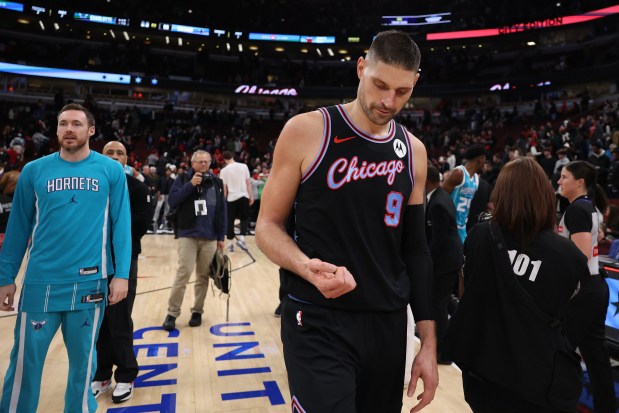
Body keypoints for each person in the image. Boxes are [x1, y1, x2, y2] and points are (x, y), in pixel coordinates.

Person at [255, 30, 438, 413]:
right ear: (360, 68)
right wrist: (305, 265)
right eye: (380, 85)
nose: (389, 101)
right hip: (318, 317)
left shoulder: (414, 152)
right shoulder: (307, 130)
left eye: (402, 92)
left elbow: (416, 251)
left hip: (388, 324)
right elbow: (267, 226)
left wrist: (429, 344)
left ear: (415, 84)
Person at [0, 103, 131, 413]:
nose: (69, 129)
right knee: (24, 365)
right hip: (40, 284)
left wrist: (121, 274)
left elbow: (121, 226)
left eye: (76, 123)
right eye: (63, 124)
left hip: (90, 283)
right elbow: (17, 229)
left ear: (91, 130)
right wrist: (6, 278)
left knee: (84, 365)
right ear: (56, 130)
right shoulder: (34, 171)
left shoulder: (111, 171)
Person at [443, 157, 589, 413]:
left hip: (482, 372)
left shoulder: (479, 235)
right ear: (544, 196)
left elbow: (468, 294)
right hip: (539, 379)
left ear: (502, 193)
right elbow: (575, 319)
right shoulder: (568, 254)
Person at [91, 141, 152, 403]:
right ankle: (102, 373)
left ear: (127, 159)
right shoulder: (92, 186)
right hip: (92, 259)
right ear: (100, 156)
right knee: (97, 321)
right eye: (109, 153)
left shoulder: (137, 187)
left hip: (124, 260)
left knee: (119, 319)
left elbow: (140, 225)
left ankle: (126, 375)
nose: (115, 157)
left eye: (120, 153)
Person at [557, 160, 616, 413]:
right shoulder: (587, 207)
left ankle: (556, 402)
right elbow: (596, 239)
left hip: (582, 288)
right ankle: (605, 407)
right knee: (595, 355)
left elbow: (579, 259)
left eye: (564, 177)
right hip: (593, 286)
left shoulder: (577, 210)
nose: (559, 181)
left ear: (579, 182)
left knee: (559, 349)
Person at [162, 150, 227, 331]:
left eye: (206, 162)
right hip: (188, 234)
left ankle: (197, 311)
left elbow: (222, 210)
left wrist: (222, 236)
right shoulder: (183, 179)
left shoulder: (217, 183)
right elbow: (173, 200)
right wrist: (191, 185)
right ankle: (172, 313)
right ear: (192, 163)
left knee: (203, 277)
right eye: (200, 162)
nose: (203, 165)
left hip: (210, 236)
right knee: (183, 273)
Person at [425, 165, 463, 364]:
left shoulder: (438, 203)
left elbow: (439, 241)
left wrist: (427, 263)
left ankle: (444, 353)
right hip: (450, 256)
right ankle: (464, 324)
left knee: (438, 304)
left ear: (427, 181)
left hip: (446, 259)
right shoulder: (439, 195)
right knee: (445, 299)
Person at [442, 144, 486, 243]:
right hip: (449, 227)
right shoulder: (459, 173)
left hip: (462, 228)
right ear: (481, 159)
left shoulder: (476, 180)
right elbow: (440, 197)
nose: (485, 164)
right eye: (485, 160)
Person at [219, 150, 253, 252]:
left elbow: (224, 188)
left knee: (230, 220)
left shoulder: (223, 171)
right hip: (244, 196)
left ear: (224, 160)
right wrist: (250, 196)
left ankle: (230, 245)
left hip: (231, 198)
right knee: (245, 218)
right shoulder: (244, 166)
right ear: (232, 156)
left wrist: (223, 201)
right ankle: (242, 239)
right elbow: (248, 183)